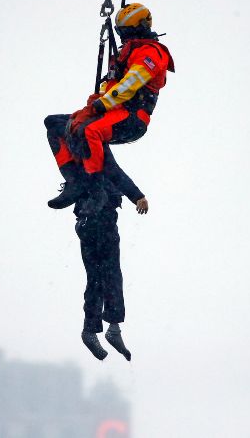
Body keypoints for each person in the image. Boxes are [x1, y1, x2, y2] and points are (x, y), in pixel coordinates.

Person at [46, 2, 174, 214]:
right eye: (121, 33)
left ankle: (96, 188)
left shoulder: (152, 53)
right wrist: (96, 101)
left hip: (132, 117)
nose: (125, 37)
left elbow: (131, 83)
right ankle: (75, 181)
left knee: (89, 130)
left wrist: (99, 105)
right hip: (114, 111)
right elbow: (113, 86)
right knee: (55, 124)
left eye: (127, 32)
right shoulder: (126, 54)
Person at [72, 148, 147, 361]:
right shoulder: (90, 154)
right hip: (96, 221)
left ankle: (96, 328)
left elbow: (115, 175)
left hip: (94, 222)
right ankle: (107, 328)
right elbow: (117, 175)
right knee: (108, 275)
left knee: (100, 277)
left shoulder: (87, 153)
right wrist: (137, 196)